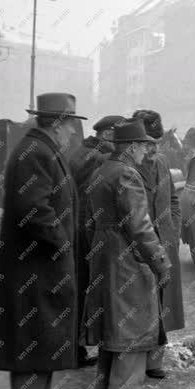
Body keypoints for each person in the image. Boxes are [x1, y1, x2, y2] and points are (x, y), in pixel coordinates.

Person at [0, 93, 87, 389]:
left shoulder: (43, 148)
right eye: (71, 124)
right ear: (57, 123)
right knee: (33, 333)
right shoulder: (36, 151)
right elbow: (34, 207)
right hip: (34, 265)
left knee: (46, 334)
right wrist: (61, 242)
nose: (74, 132)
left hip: (43, 264)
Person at [82, 119, 171, 389]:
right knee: (132, 317)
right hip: (126, 253)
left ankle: (106, 382)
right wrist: (159, 260)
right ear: (132, 147)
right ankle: (125, 388)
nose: (147, 152)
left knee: (111, 315)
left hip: (103, 250)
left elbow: (88, 219)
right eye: (145, 146)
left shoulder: (102, 170)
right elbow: (140, 225)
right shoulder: (127, 175)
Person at [69, 114, 125, 368]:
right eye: (117, 135)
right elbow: (84, 186)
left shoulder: (87, 150)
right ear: (106, 134)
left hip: (82, 227)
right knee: (83, 288)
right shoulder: (93, 155)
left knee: (83, 288)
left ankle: (77, 347)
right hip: (85, 230)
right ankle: (76, 349)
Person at [132, 109, 184, 379]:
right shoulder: (125, 166)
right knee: (138, 305)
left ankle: (155, 360)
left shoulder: (162, 164)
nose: (153, 148)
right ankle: (133, 362)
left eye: (156, 142)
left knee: (162, 304)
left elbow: (173, 201)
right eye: (147, 143)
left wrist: (172, 234)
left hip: (164, 245)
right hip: (137, 248)